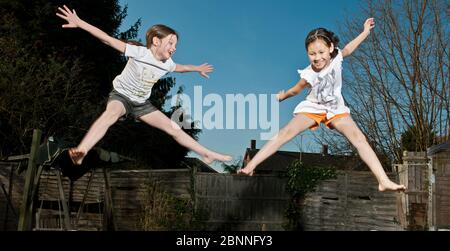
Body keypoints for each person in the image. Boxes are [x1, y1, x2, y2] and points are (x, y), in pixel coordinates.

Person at [238, 18, 406, 192]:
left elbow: (349, 48)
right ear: (307, 53)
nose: (317, 58)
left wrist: (365, 32)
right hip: (314, 107)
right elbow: (296, 90)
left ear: (331, 48)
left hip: (335, 108)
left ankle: (383, 180)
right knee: (285, 133)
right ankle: (251, 167)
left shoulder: (337, 57)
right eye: (312, 54)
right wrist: (283, 96)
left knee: (359, 138)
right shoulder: (309, 74)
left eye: (321, 52)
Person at [56, 5, 232, 166]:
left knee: (174, 129)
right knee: (110, 114)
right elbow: (108, 39)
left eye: (176, 45)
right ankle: (82, 151)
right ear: (156, 41)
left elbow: (182, 68)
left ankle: (206, 153)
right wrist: (80, 23)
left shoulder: (167, 64)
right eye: (171, 43)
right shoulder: (139, 52)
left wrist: (197, 69)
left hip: (142, 104)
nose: (174, 48)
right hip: (121, 96)